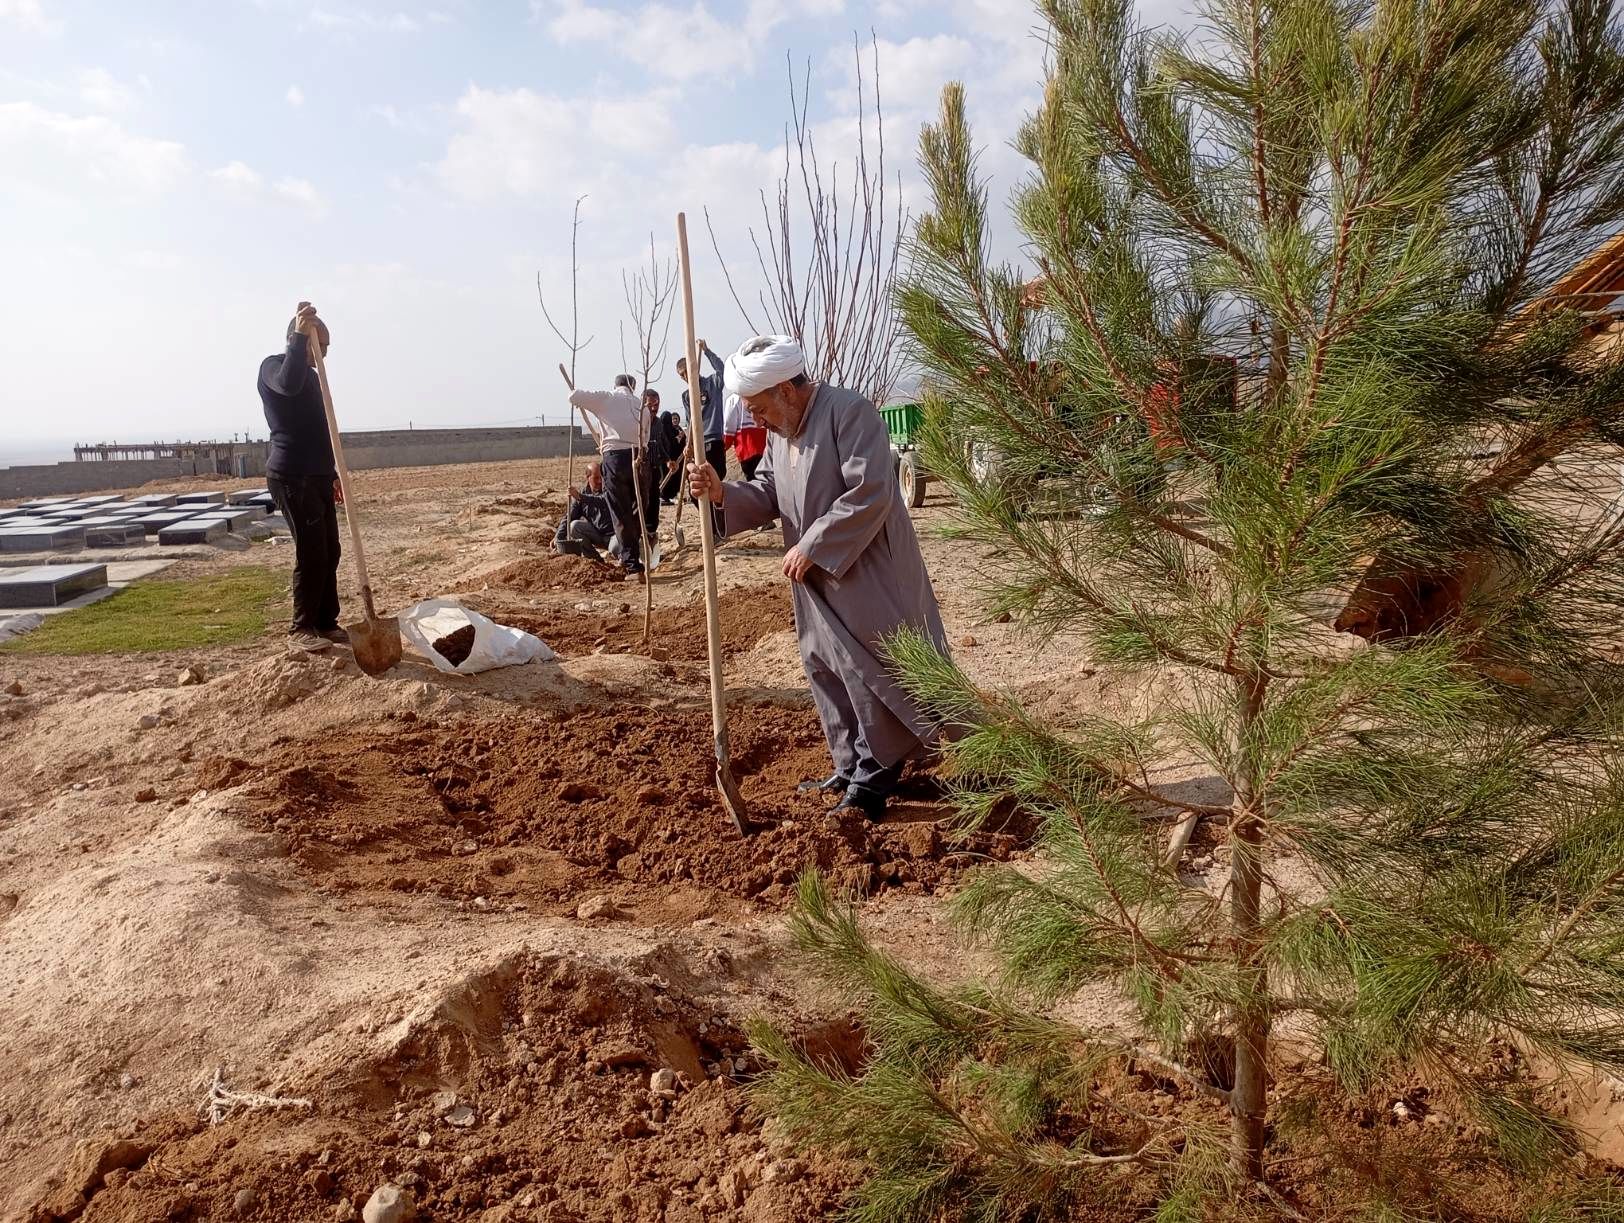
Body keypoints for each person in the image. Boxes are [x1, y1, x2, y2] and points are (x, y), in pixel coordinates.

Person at [687, 335, 950, 820]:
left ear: (786, 389)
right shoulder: (781, 431)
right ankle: (850, 765)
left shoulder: (849, 412)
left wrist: (813, 545)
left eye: (758, 406)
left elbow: (871, 490)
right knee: (827, 668)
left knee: (871, 671)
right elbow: (769, 490)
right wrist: (722, 493)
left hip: (867, 573)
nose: (755, 419)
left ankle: (875, 777)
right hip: (814, 580)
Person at [258, 301, 344, 653]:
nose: (325, 354)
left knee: (331, 550)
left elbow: (320, 429)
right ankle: (302, 627)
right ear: (302, 342)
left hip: (318, 475)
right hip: (291, 475)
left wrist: (332, 472)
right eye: (320, 346)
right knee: (311, 552)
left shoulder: (312, 375)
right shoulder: (273, 368)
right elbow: (288, 386)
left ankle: (326, 621)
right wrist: (297, 338)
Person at [569, 374, 649, 581]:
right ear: (632, 387)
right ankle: (631, 556)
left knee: (620, 514)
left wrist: (587, 405)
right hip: (640, 457)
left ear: (615, 385)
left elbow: (574, 396)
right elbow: (646, 437)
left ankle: (633, 567)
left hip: (615, 459)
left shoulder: (607, 398)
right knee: (638, 509)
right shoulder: (641, 406)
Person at [676, 339, 727, 480]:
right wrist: (688, 444)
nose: (686, 377)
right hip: (699, 443)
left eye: (686, 371)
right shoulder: (687, 396)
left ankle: (718, 502)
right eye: (682, 375)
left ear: (694, 368)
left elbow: (723, 370)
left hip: (714, 439)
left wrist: (706, 351)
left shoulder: (712, 384)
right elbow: (689, 420)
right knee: (699, 478)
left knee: (718, 475)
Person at [552, 460, 615, 560]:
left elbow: (602, 500)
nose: (600, 481)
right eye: (596, 478)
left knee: (615, 548)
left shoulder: (609, 489)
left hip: (613, 535)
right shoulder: (583, 492)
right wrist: (558, 537)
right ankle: (595, 559)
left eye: (601, 478)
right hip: (597, 534)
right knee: (574, 526)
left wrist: (580, 497)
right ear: (588, 478)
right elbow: (569, 516)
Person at [724, 392, 768, 480]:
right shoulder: (762, 393)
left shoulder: (733, 399)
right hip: (766, 446)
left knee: (754, 483)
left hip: (746, 449)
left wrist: (724, 447)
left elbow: (729, 428)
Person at [659, 410, 687, 503]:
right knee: (666, 477)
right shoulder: (663, 431)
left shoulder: (676, 430)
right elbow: (671, 443)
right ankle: (664, 496)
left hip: (671, 459)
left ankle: (669, 495)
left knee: (671, 477)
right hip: (667, 460)